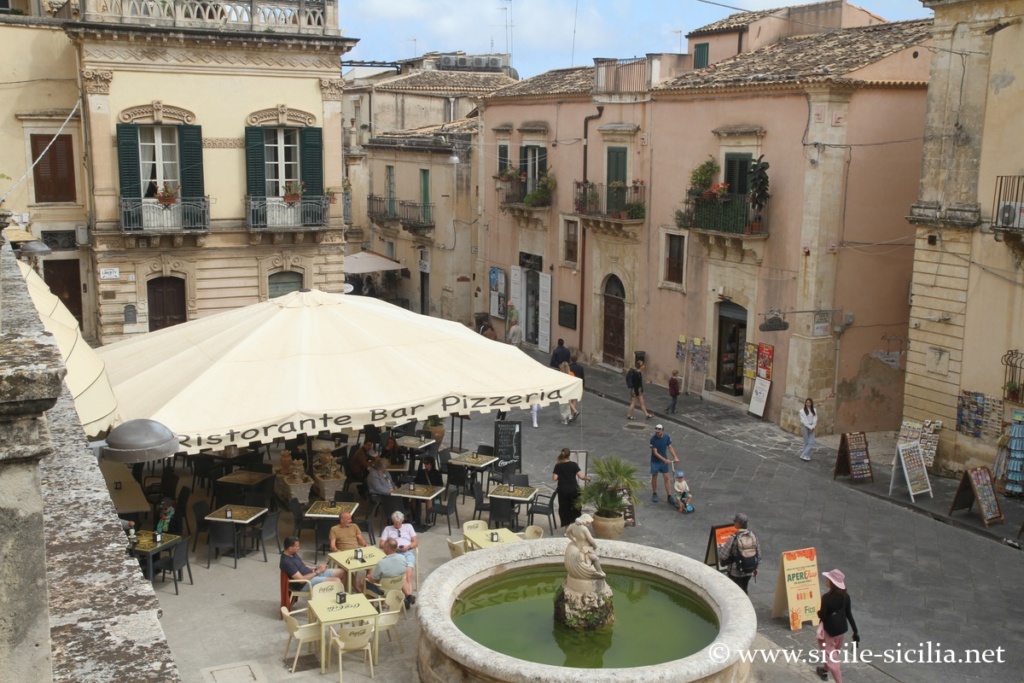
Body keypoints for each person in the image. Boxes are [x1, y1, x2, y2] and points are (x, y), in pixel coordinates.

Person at [816, 568, 860, 682]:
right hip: (841, 630)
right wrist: (855, 632)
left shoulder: (826, 598)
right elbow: (849, 615)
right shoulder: (846, 596)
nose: (826, 580)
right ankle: (824, 670)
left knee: (831, 658)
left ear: (831, 583)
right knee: (833, 652)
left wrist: (818, 612)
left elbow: (823, 616)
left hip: (830, 632)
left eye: (828, 578)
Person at [365, 538, 415, 606]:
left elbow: (374, 580)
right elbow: (404, 570)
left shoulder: (381, 563)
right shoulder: (402, 558)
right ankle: (408, 595)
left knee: (363, 581)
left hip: (383, 590)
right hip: (398, 586)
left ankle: (374, 607)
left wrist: (368, 575)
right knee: (401, 577)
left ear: (386, 548)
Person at [378, 511, 417, 599]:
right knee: (401, 574)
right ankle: (409, 597)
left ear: (402, 521)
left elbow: (415, 542)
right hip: (394, 553)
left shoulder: (408, 527)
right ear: (392, 521)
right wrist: (393, 547)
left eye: (399, 523)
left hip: (408, 551)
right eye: (396, 523)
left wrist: (409, 546)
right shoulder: (388, 529)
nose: (398, 525)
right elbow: (381, 544)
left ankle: (408, 598)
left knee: (408, 573)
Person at [718, 513, 760, 594]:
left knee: (734, 592)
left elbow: (723, 556)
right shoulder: (753, 536)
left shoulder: (733, 538)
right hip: (749, 570)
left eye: (734, 521)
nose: (733, 522)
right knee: (744, 589)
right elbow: (758, 555)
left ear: (738, 524)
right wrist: (755, 567)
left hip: (735, 572)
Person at [280, 536, 344, 587]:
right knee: (336, 581)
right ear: (290, 548)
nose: (299, 548)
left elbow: (303, 566)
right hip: (305, 583)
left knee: (342, 572)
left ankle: (341, 594)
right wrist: (318, 571)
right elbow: (301, 580)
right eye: (297, 546)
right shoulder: (287, 562)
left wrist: (316, 567)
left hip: (312, 573)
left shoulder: (292, 553)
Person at [552, 448, 589, 527]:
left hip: (563, 490)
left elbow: (554, 478)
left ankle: (567, 528)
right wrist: (588, 478)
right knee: (576, 507)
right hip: (574, 489)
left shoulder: (558, 465)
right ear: (569, 455)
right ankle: (575, 525)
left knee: (564, 508)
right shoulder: (574, 465)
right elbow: (581, 476)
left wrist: (561, 476)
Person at [649, 423, 679, 503]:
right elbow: (655, 452)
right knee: (654, 476)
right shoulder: (653, 439)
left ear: (662, 431)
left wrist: (675, 457)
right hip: (655, 461)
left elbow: (670, 447)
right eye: (656, 432)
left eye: (658, 432)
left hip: (663, 461)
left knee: (666, 477)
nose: (657, 433)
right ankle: (654, 493)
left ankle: (669, 496)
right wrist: (664, 460)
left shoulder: (666, 437)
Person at [800, 398, 817, 462]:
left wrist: (813, 427)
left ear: (811, 403)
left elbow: (815, 419)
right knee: (806, 441)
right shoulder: (802, 411)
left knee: (811, 441)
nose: (808, 403)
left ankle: (804, 454)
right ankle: (806, 456)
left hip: (812, 427)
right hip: (805, 427)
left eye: (809, 402)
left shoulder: (814, 410)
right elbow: (803, 421)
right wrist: (809, 427)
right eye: (807, 402)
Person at [569, 353, 585, 418]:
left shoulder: (570, 367)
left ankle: (573, 412)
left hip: (572, 384)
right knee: (574, 399)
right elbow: (582, 377)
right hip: (578, 384)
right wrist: (583, 386)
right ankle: (572, 414)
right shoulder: (580, 367)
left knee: (569, 399)